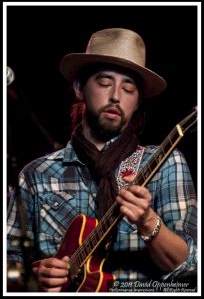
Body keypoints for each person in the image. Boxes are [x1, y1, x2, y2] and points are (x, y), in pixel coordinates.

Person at [7, 28, 197, 293]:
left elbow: (190, 265)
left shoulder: (165, 163)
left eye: (129, 88)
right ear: (79, 88)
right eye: (105, 83)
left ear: (138, 101)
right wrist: (31, 276)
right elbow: (8, 268)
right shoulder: (36, 174)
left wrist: (148, 221)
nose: (116, 96)